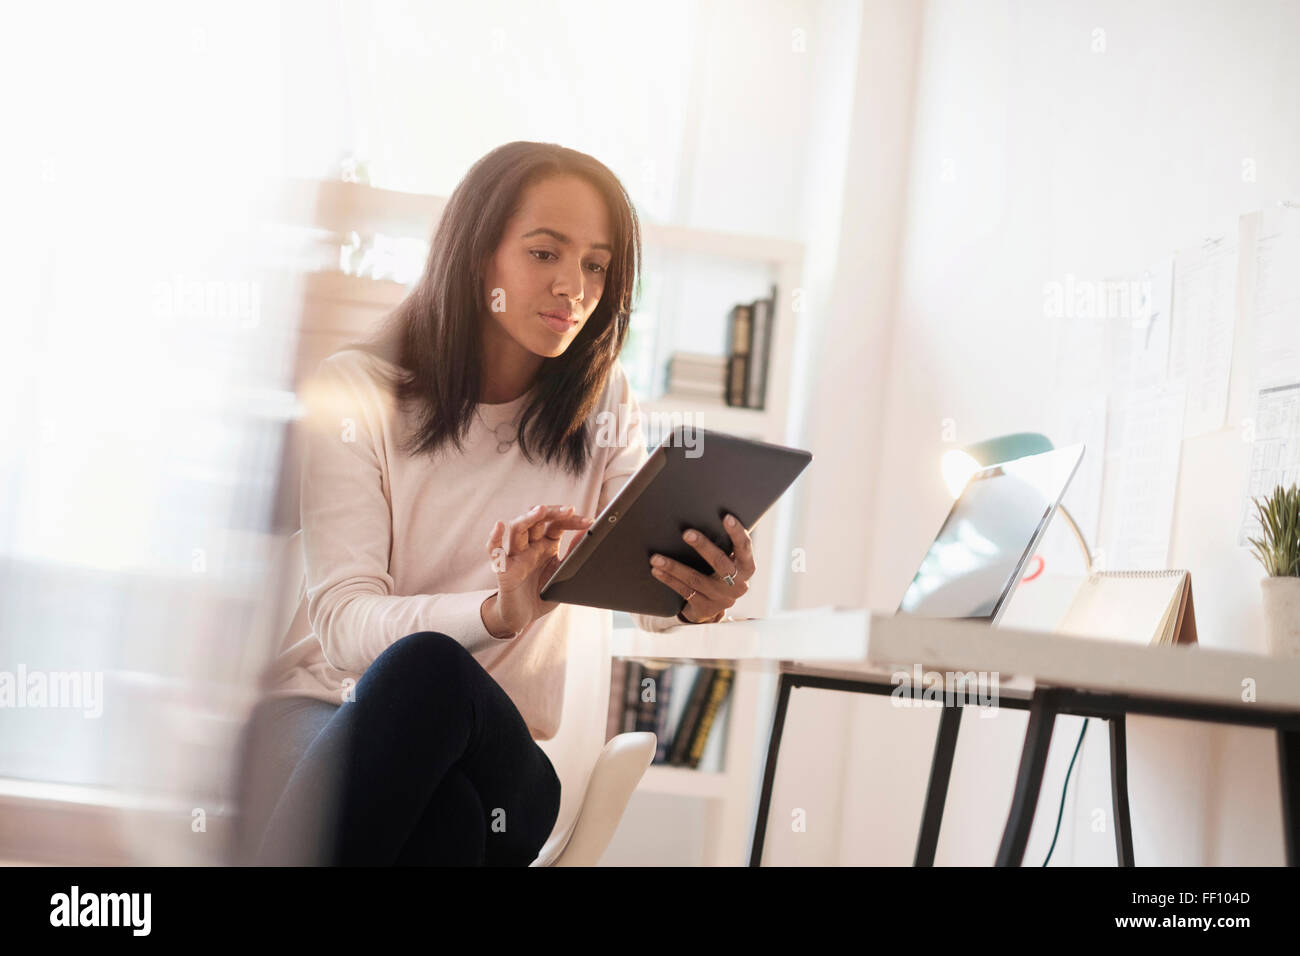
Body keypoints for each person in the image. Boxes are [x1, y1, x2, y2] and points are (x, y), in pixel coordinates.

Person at [230, 141, 758, 866]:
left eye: (596, 265)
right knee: (443, 806)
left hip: (500, 754)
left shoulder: (604, 405)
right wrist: (496, 614)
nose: (574, 285)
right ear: (478, 255)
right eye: (546, 254)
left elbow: (642, 584)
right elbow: (347, 625)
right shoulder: (357, 391)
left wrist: (695, 596)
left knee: (440, 702)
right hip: (323, 714)